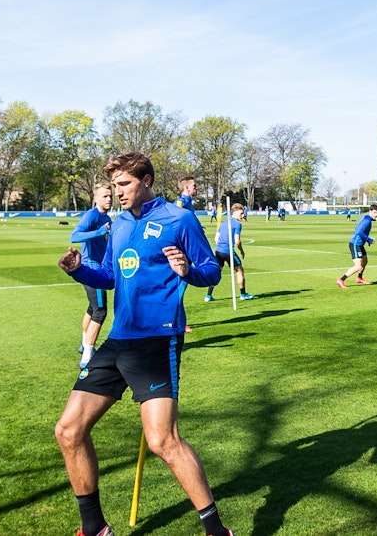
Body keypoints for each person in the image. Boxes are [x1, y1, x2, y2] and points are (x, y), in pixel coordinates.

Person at [53, 151, 232, 536]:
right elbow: (111, 277)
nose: (117, 192)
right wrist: (79, 270)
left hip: (157, 341)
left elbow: (212, 270)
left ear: (146, 181)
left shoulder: (178, 218)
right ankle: (95, 528)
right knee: (68, 431)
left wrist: (188, 270)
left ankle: (217, 531)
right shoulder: (117, 226)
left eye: (124, 184)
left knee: (163, 441)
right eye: (114, 185)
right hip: (118, 341)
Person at [70, 184, 113, 363]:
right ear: (96, 199)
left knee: (92, 307)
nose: (109, 199)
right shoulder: (92, 215)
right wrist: (100, 232)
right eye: (105, 196)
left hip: (99, 268)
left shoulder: (105, 216)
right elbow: (74, 236)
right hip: (92, 269)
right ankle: (87, 357)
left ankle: (84, 345)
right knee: (100, 311)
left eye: (110, 196)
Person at [206, 204, 251, 302]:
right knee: (239, 270)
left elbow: (216, 239)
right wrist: (242, 251)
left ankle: (208, 295)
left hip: (218, 251)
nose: (243, 216)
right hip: (228, 252)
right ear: (234, 213)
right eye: (241, 213)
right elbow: (237, 241)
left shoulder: (223, 223)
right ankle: (243, 294)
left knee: (217, 272)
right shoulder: (238, 224)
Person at [337, 204, 377, 288]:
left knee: (365, 261)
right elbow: (358, 231)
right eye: (374, 213)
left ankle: (359, 278)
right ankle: (341, 280)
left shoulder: (366, 218)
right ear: (370, 211)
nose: (376, 215)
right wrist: (369, 239)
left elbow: (357, 229)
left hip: (360, 244)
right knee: (358, 266)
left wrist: (365, 240)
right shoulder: (367, 221)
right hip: (355, 244)